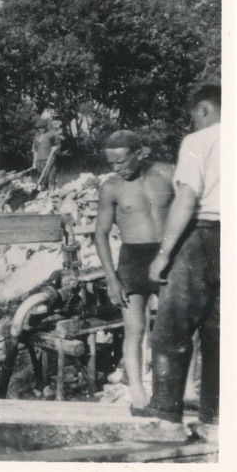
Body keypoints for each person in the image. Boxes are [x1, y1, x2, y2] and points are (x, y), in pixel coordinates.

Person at [135, 85, 221, 442]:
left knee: (171, 331)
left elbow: (186, 199)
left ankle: (168, 422)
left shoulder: (200, 141)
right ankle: (217, 424)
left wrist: (164, 255)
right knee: (221, 334)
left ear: (203, 109)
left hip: (202, 236)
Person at [94, 130, 174, 408]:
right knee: (135, 328)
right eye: (111, 163)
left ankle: (178, 391)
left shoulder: (168, 174)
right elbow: (100, 234)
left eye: (121, 161)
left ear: (140, 153)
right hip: (132, 260)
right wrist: (112, 279)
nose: (116, 168)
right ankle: (138, 392)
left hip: (166, 257)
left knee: (176, 327)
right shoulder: (111, 187)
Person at [31, 118, 61, 191]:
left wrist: (56, 147)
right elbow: (35, 149)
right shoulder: (37, 136)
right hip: (39, 160)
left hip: (49, 159)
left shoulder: (52, 133)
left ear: (45, 127)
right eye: (39, 128)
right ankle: (44, 195)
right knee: (43, 180)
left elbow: (59, 144)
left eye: (42, 128)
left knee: (51, 177)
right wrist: (34, 163)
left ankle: (52, 194)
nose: (40, 129)